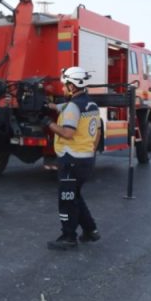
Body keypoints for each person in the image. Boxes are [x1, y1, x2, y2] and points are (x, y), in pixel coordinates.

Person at [41, 67, 102, 250]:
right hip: (85, 159)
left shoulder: (73, 107)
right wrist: (49, 106)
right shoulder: (90, 105)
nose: (63, 88)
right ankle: (91, 230)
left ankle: (68, 237)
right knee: (75, 195)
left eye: (65, 85)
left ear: (72, 85)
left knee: (67, 199)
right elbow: (97, 132)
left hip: (71, 160)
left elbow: (68, 132)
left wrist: (49, 123)